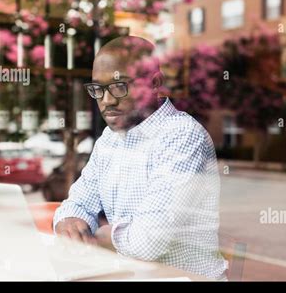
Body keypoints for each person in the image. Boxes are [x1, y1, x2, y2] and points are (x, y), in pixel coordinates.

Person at [54, 36, 227, 279]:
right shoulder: (110, 139)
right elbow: (78, 203)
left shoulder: (182, 136)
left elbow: (149, 242)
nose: (106, 100)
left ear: (155, 83)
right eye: (98, 89)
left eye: (118, 86)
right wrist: (70, 220)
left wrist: (104, 237)